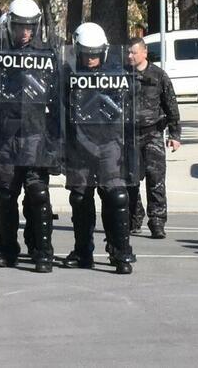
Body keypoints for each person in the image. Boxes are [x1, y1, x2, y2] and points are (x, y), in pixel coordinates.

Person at [0, 0, 60, 271]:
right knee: (5, 194)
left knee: (38, 193)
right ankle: (6, 248)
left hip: (35, 134)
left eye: (30, 27)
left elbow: (59, 100)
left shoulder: (48, 54)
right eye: (20, 26)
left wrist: (57, 141)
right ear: (10, 25)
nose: (25, 32)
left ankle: (42, 251)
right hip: (4, 136)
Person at [64, 23, 136, 274]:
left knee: (116, 196)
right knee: (80, 198)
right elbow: (60, 109)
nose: (91, 59)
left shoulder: (118, 74)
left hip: (109, 143)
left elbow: (131, 107)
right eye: (86, 53)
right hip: (79, 144)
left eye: (95, 54)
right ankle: (83, 251)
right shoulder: (68, 73)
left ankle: (121, 252)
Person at [125, 36, 181, 239]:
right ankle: (134, 217)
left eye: (133, 52)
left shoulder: (158, 75)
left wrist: (175, 134)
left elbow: (171, 105)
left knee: (156, 180)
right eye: (128, 52)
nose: (130, 56)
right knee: (129, 180)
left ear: (144, 52)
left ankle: (157, 221)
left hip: (153, 134)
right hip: (128, 136)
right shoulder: (122, 75)